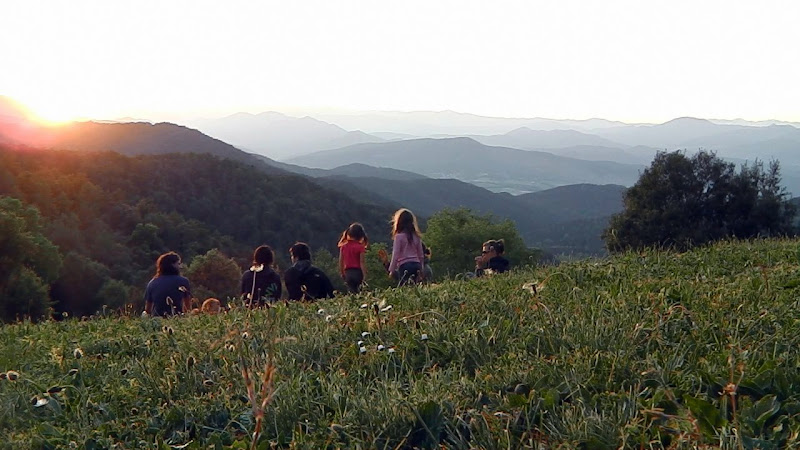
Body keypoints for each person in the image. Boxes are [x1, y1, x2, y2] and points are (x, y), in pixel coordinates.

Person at [144, 252, 191, 317]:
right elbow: (187, 307)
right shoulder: (183, 281)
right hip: (177, 318)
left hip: (157, 320)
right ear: (172, 265)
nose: (180, 267)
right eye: (178, 264)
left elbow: (147, 310)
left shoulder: (152, 283)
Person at [388, 208, 425, 286]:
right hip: (416, 264)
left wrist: (391, 270)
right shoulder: (416, 237)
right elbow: (421, 255)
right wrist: (421, 268)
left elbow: (396, 255)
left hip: (404, 266)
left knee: (404, 287)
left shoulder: (399, 237)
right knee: (415, 287)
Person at [338, 223, 368, 294]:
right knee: (360, 292)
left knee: (351, 292)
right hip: (358, 273)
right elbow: (362, 262)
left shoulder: (343, 247)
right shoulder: (360, 247)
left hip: (348, 273)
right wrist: (365, 275)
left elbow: (341, 261)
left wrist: (342, 273)